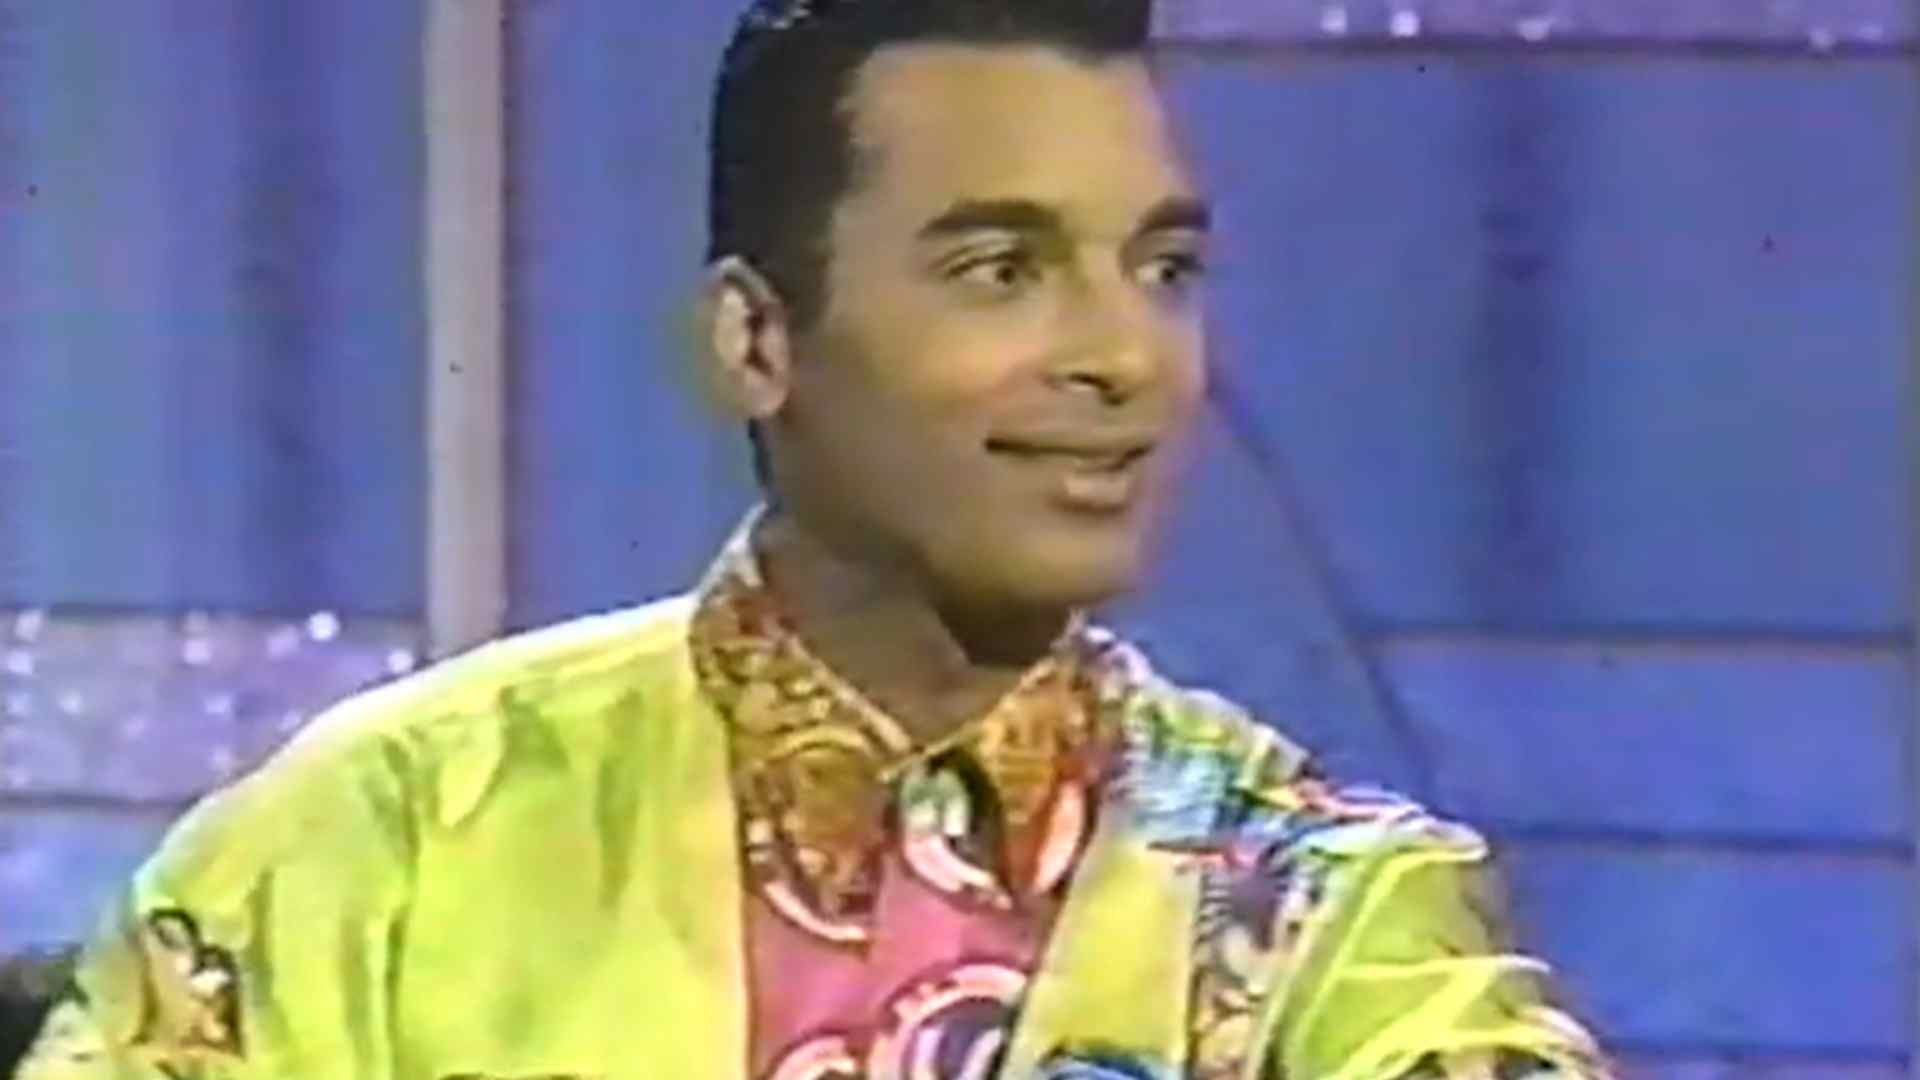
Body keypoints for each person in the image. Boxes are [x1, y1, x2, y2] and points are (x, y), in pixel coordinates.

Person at [15, 1, 1614, 1077]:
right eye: (1003, 269)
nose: (1125, 355)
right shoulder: (385, 846)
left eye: (1164, 270)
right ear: (758, 340)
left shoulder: (1324, 919)